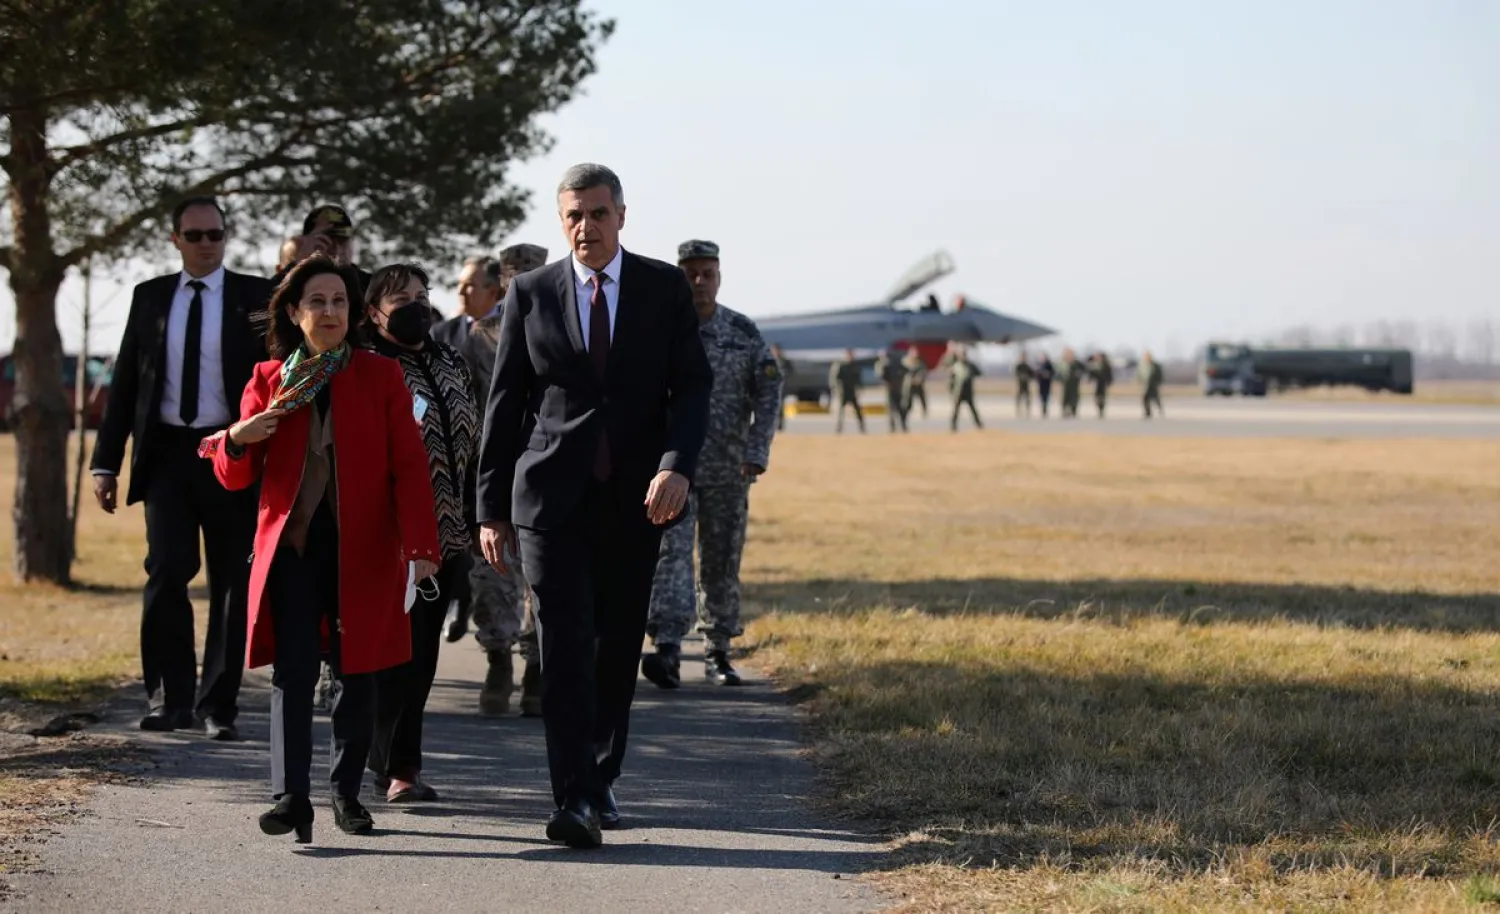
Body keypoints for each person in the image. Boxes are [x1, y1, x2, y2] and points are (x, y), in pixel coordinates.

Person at [475, 162, 711, 848]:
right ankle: (574, 796)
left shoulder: (662, 287)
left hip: (638, 498)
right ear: (562, 222)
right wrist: (490, 508)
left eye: (598, 214)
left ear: (621, 217)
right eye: (574, 216)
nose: (587, 227)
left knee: (615, 644)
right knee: (565, 643)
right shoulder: (530, 293)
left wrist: (676, 466)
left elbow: (691, 387)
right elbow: (505, 402)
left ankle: (601, 772)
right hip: (550, 498)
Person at [204, 253, 440, 843]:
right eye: (317, 301)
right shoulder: (269, 380)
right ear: (293, 311)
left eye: (339, 301)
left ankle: (346, 793)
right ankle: (291, 798)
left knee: (357, 674)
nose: (330, 311)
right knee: (293, 671)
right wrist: (238, 438)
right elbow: (234, 476)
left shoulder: (380, 375)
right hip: (294, 549)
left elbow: (410, 468)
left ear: (353, 312)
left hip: (365, 549)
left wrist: (421, 547)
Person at [89, 196, 271, 738]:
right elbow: (126, 382)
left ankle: (218, 706)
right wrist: (105, 463)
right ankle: (169, 700)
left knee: (231, 581)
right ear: (176, 240)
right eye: (195, 235)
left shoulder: (256, 297)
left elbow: (278, 376)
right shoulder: (150, 297)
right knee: (167, 570)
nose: (207, 244)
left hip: (231, 452)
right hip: (168, 454)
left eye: (215, 234)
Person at [362, 262, 481, 803]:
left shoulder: (449, 360)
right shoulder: (366, 366)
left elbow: (473, 439)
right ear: (374, 313)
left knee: (423, 655)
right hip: (390, 538)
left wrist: (478, 516)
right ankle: (393, 767)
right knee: (395, 657)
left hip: (448, 535)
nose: (415, 305)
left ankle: (395, 761)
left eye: (421, 294)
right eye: (400, 298)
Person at [642, 239, 782, 689]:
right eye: (691, 274)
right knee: (671, 557)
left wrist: (756, 451)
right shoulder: (661, 328)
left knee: (721, 561)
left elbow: (769, 390)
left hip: (728, 469)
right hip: (673, 471)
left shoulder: (741, 331)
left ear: (719, 278)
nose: (699, 282)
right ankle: (667, 646)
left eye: (708, 274)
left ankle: (718, 650)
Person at [460, 243, 550, 717]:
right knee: (492, 575)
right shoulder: (480, 337)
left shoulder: (563, 327)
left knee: (544, 576)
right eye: (515, 280)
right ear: (503, 285)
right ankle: (498, 661)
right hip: (493, 472)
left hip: (547, 473)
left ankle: (537, 666)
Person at [430, 254, 501, 353]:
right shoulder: (442, 333)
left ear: (493, 291)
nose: (460, 291)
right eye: (459, 283)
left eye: (469, 284)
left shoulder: (514, 328)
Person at [829, 349, 864, 433]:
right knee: (841, 412)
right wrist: (836, 389)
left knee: (858, 411)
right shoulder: (841, 366)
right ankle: (839, 429)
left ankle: (862, 429)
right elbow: (834, 379)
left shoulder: (854, 366)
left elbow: (858, 379)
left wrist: (859, 389)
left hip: (851, 391)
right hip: (843, 391)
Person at [949, 345, 984, 431]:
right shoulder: (955, 366)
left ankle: (979, 424)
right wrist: (951, 390)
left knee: (973, 409)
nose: (963, 356)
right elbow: (951, 380)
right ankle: (953, 425)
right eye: (961, 354)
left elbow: (979, 373)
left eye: (964, 354)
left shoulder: (970, 365)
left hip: (968, 391)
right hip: (958, 391)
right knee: (956, 410)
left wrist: (972, 374)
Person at [874, 348, 907, 433]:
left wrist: (899, 380)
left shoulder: (893, 364)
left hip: (896, 388)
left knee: (899, 408)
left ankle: (903, 426)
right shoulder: (882, 365)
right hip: (889, 389)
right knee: (891, 409)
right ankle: (893, 427)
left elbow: (904, 371)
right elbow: (881, 376)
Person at [901, 348, 928, 419]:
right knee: (908, 400)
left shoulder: (919, 361)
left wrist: (919, 378)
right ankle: (906, 412)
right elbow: (902, 371)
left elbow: (923, 370)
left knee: (922, 398)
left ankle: (924, 411)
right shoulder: (905, 361)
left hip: (918, 384)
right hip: (909, 384)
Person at [770, 343, 792, 430]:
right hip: (771, 388)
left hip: (781, 387)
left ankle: (780, 425)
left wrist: (783, 375)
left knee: (780, 407)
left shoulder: (784, 361)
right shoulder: (770, 361)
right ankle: (772, 425)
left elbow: (790, 371)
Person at [1141, 351, 1165, 419]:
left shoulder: (1155, 366)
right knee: (1145, 398)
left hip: (1153, 384)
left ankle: (1160, 409)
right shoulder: (1143, 366)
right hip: (1146, 385)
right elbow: (1141, 374)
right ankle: (1148, 412)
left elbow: (1159, 375)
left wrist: (1159, 382)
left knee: (1156, 398)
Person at [1090, 352, 1114, 418]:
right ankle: (1099, 407)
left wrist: (1109, 382)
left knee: (1102, 397)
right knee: (1097, 397)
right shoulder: (1093, 365)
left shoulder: (1105, 365)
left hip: (1103, 383)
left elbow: (1109, 374)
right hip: (1096, 383)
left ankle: (1101, 409)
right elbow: (1091, 374)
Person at [1035, 353, 1055, 418]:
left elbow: (1053, 373)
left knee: (1046, 397)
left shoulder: (1049, 365)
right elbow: (1036, 374)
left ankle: (1045, 410)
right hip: (1041, 384)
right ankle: (1042, 410)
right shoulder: (1039, 365)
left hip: (1047, 384)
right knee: (1041, 397)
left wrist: (1048, 375)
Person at [1014, 353, 1034, 417]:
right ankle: (1018, 410)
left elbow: (1032, 374)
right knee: (1019, 398)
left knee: (1027, 398)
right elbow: (1016, 374)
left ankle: (1027, 410)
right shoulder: (1019, 366)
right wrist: (1021, 377)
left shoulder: (1027, 366)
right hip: (1020, 385)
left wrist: (1027, 377)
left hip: (1026, 385)